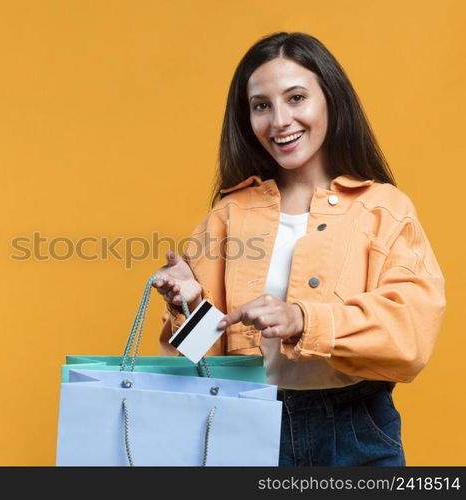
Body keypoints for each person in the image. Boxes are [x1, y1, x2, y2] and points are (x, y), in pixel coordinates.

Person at [152, 32, 446, 466]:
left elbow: (410, 337)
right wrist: (191, 306)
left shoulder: (384, 209)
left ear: (330, 99)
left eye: (296, 98)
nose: (279, 121)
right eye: (261, 106)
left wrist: (301, 319)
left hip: (355, 429)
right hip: (241, 423)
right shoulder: (227, 216)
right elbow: (199, 364)